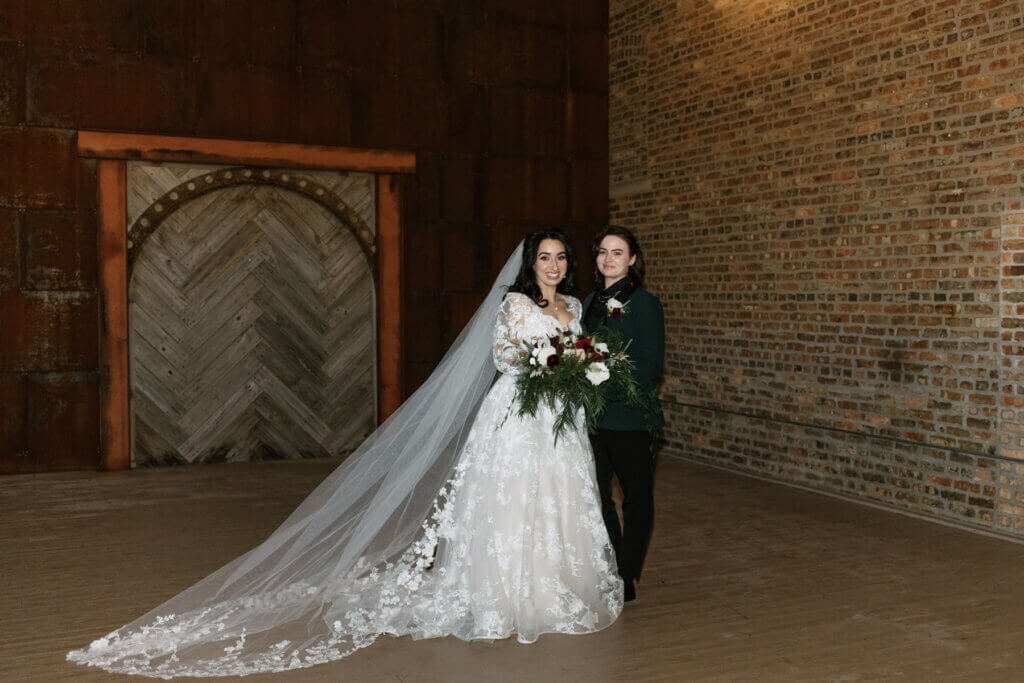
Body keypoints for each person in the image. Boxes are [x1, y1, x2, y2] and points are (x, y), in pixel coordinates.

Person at [68, 229, 622, 678]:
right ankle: (503, 592)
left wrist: (573, 367)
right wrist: (544, 363)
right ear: (530, 264)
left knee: (558, 498)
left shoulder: (575, 303)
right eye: (544, 257)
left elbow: (582, 353)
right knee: (510, 500)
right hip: (516, 416)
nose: (553, 265)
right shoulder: (514, 304)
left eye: (560, 258)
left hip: (560, 420)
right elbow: (502, 358)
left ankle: (554, 587)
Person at [582, 226, 665, 603]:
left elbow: (648, 365)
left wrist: (598, 386)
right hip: (593, 420)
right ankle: (613, 565)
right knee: (597, 497)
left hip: (631, 418)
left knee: (636, 498)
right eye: (603, 251)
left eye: (617, 252)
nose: (608, 259)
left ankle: (628, 573)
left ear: (632, 260)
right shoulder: (588, 302)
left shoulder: (645, 304)